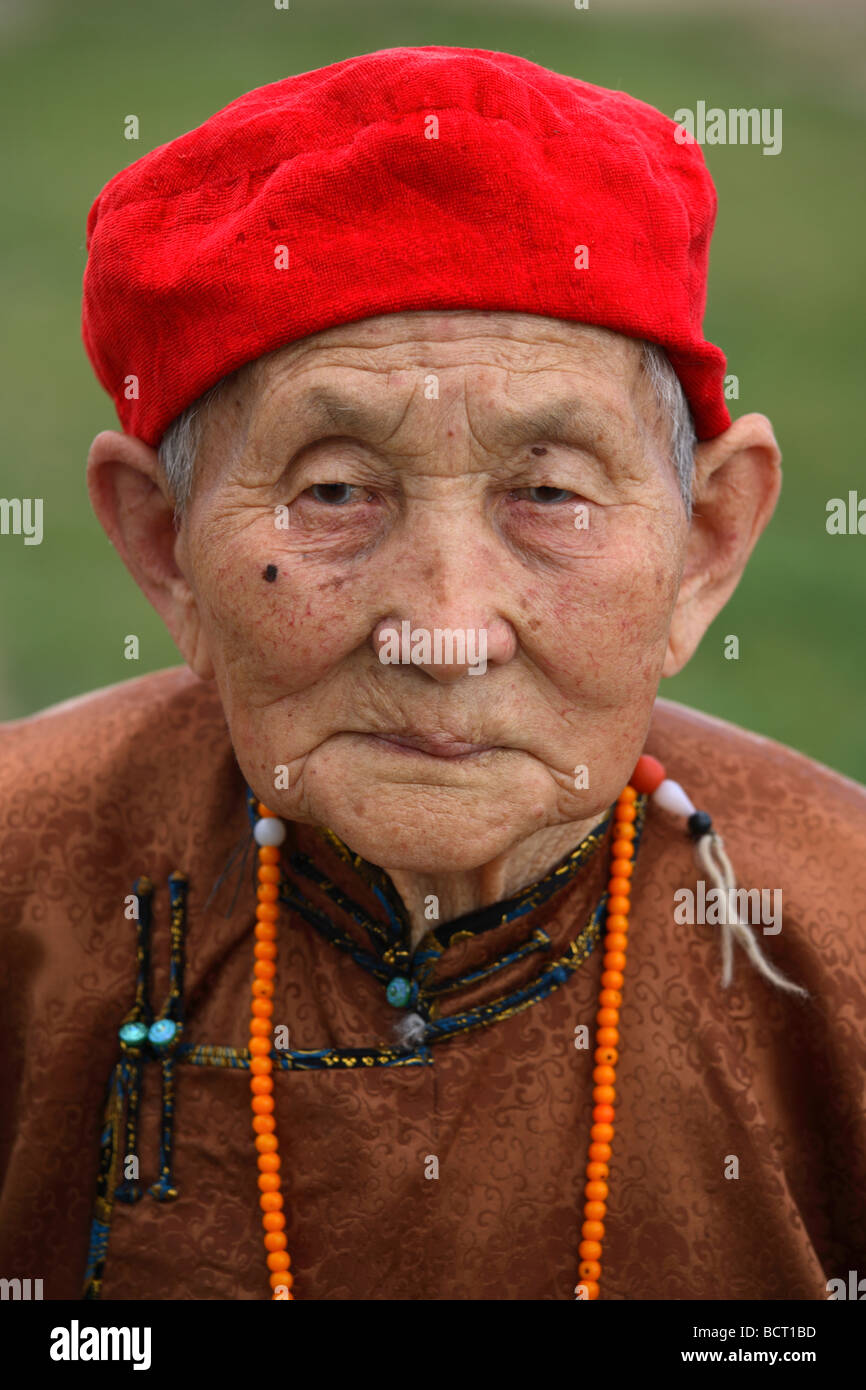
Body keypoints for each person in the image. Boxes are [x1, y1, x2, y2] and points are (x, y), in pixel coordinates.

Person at [1, 46, 864, 1302]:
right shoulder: (25, 882)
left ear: (703, 543)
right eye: (335, 491)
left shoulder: (839, 949)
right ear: (163, 548)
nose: (448, 627)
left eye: (550, 494)